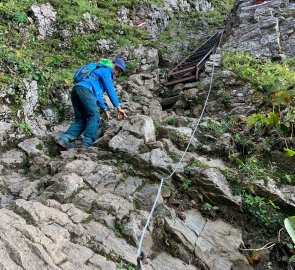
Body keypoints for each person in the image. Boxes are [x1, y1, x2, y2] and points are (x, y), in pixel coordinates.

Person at [58, 58, 127, 149]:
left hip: (77, 90)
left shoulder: (98, 72)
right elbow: (110, 90)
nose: (117, 71)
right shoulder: (106, 70)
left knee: (81, 119)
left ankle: (64, 139)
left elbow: (96, 96)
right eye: (117, 68)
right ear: (112, 63)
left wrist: (104, 110)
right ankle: (87, 143)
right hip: (85, 90)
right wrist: (118, 107)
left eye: (120, 71)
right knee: (94, 116)